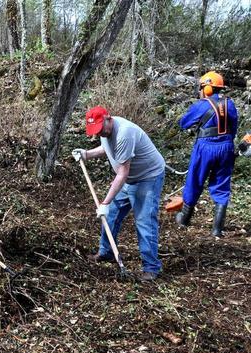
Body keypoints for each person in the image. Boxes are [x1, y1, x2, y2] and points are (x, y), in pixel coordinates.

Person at [72, 106, 165, 281]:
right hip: (128, 179)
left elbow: (122, 173)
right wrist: (87, 154)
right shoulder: (106, 133)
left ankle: (151, 268)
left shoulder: (124, 133)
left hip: (147, 177)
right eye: (95, 131)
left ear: (108, 118)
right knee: (112, 215)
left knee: (144, 221)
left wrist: (105, 203)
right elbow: (106, 148)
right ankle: (106, 252)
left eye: (100, 129)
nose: (99, 133)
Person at [176, 71, 238, 237]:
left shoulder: (201, 105)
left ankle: (184, 219)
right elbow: (234, 128)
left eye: (201, 88)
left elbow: (183, 123)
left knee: (194, 181)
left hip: (205, 147)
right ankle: (217, 230)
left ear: (208, 88)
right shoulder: (230, 104)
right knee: (222, 185)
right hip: (226, 147)